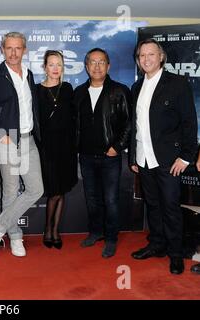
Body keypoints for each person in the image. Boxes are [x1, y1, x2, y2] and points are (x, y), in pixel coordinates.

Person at [129, 38, 198, 274]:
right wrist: (133, 158)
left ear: (161, 57)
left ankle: (175, 254)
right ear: (138, 61)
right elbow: (134, 125)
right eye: (142, 56)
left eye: (151, 54)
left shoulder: (177, 84)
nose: (146, 59)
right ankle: (157, 245)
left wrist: (187, 157)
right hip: (144, 159)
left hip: (169, 160)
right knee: (154, 205)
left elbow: (189, 122)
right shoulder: (136, 87)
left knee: (170, 207)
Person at [0, 32, 44, 259]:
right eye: (9, 48)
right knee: (11, 191)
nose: (13, 53)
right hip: (8, 140)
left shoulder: (30, 75)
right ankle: (15, 237)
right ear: (2, 49)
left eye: (18, 48)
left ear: (25, 50)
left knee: (36, 189)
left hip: (29, 139)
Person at [72, 48, 131, 258]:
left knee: (111, 200)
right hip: (86, 157)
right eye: (93, 63)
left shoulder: (120, 90)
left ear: (108, 66)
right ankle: (96, 232)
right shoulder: (78, 92)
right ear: (86, 67)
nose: (97, 66)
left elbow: (129, 123)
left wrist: (117, 146)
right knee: (92, 198)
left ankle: (112, 238)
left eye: (101, 62)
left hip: (110, 157)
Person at [37, 50, 77, 250]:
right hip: (46, 149)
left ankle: (55, 230)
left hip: (66, 148)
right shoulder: (36, 91)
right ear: (44, 67)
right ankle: (47, 229)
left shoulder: (68, 89)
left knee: (61, 191)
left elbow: (74, 119)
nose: (55, 69)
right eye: (51, 64)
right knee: (54, 191)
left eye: (59, 64)